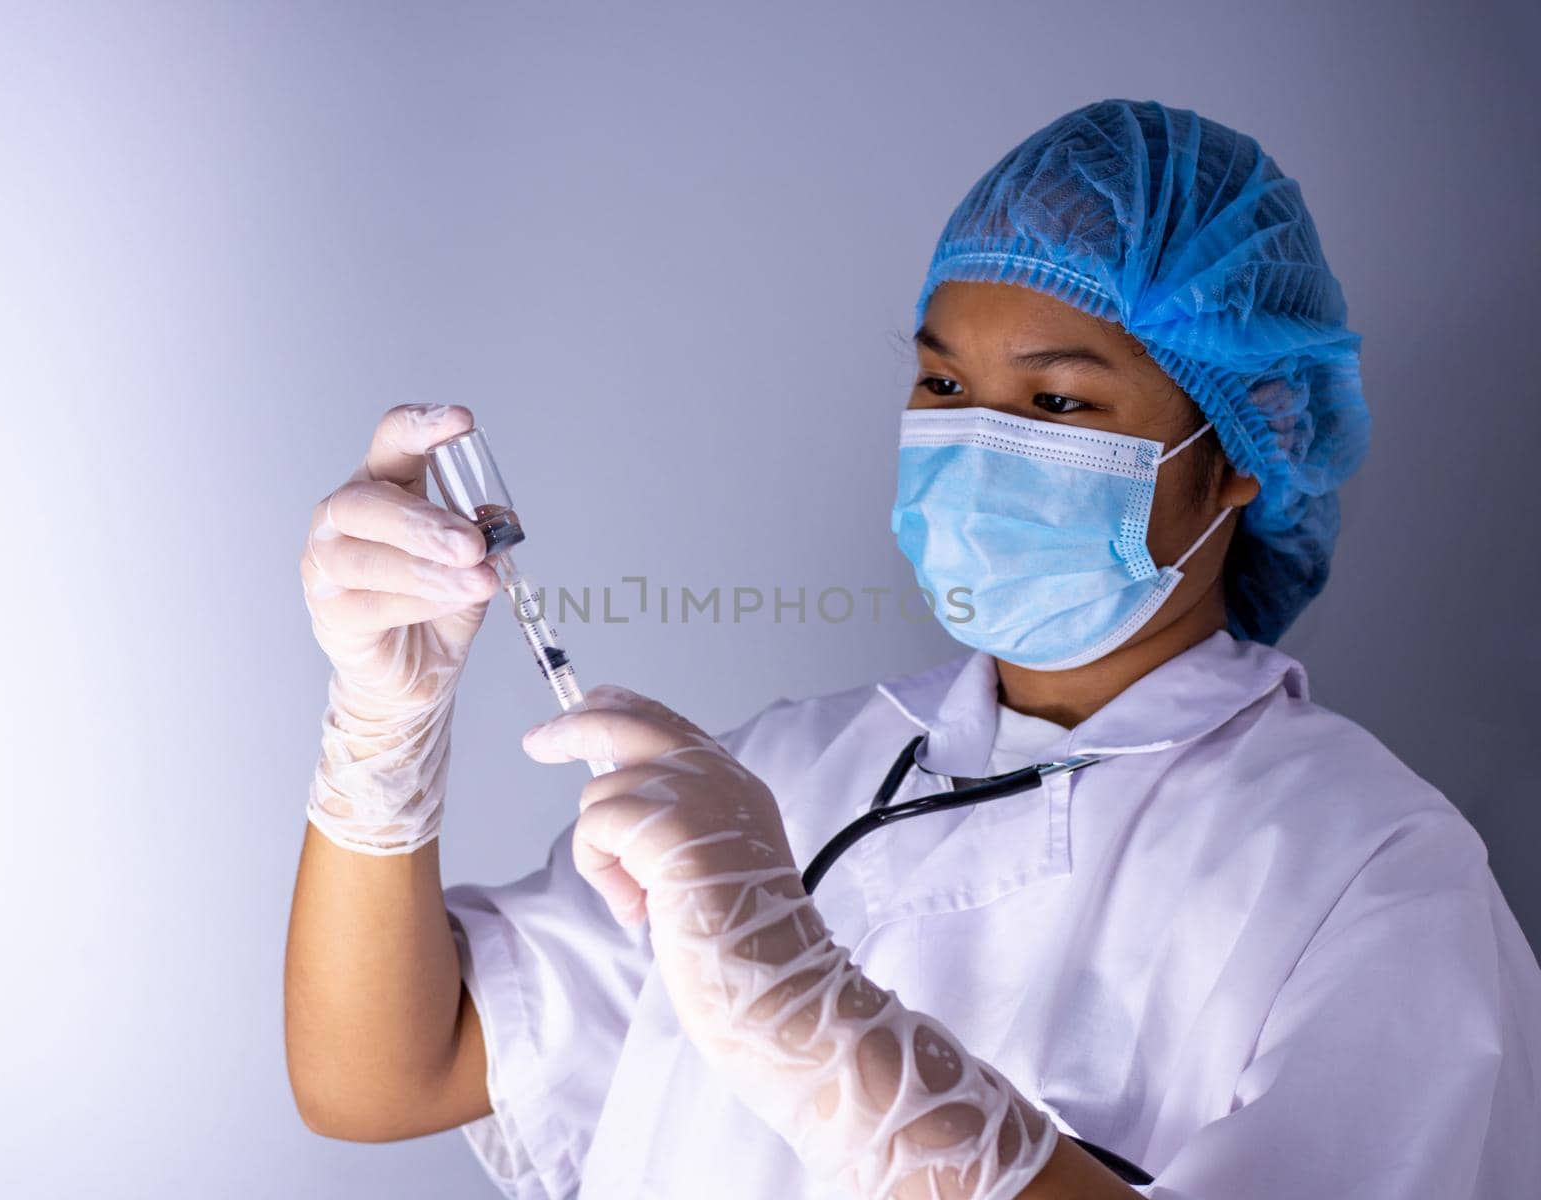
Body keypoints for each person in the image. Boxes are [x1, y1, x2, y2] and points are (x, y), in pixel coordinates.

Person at [284, 98, 1541, 1199]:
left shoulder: (1371, 874)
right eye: (942, 386)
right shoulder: (772, 783)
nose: (975, 440)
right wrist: (382, 733)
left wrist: (818, 1027)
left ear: (1240, 454)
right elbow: (384, 1075)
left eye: (1058, 401)